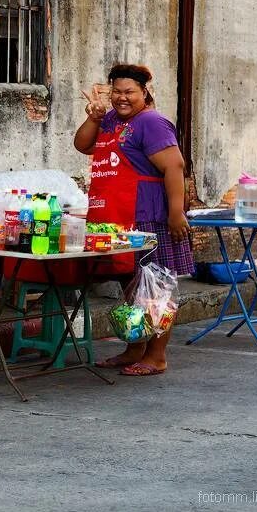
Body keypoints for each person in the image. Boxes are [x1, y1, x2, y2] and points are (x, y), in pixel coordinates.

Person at [74, 63, 194, 376]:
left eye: (130, 92)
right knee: (132, 287)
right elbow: (83, 144)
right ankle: (134, 349)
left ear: (144, 93)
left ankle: (157, 356)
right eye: (117, 91)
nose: (122, 97)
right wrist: (94, 117)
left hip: (151, 217)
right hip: (120, 218)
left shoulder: (151, 123)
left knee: (157, 290)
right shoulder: (111, 118)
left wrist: (176, 213)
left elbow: (174, 167)